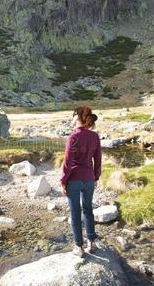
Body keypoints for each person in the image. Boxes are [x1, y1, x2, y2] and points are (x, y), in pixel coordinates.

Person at [60, 106, 101, 257]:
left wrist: (63, 181)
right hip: (89, 178)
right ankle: (92, 243)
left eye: (72, 116)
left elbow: (67, 162)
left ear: (77, 117)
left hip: (74, 179)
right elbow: (98, 159)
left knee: (75, 212)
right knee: (88, 209)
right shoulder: (94, 136)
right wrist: (96, 177)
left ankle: (79, 247)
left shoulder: (73, 137)